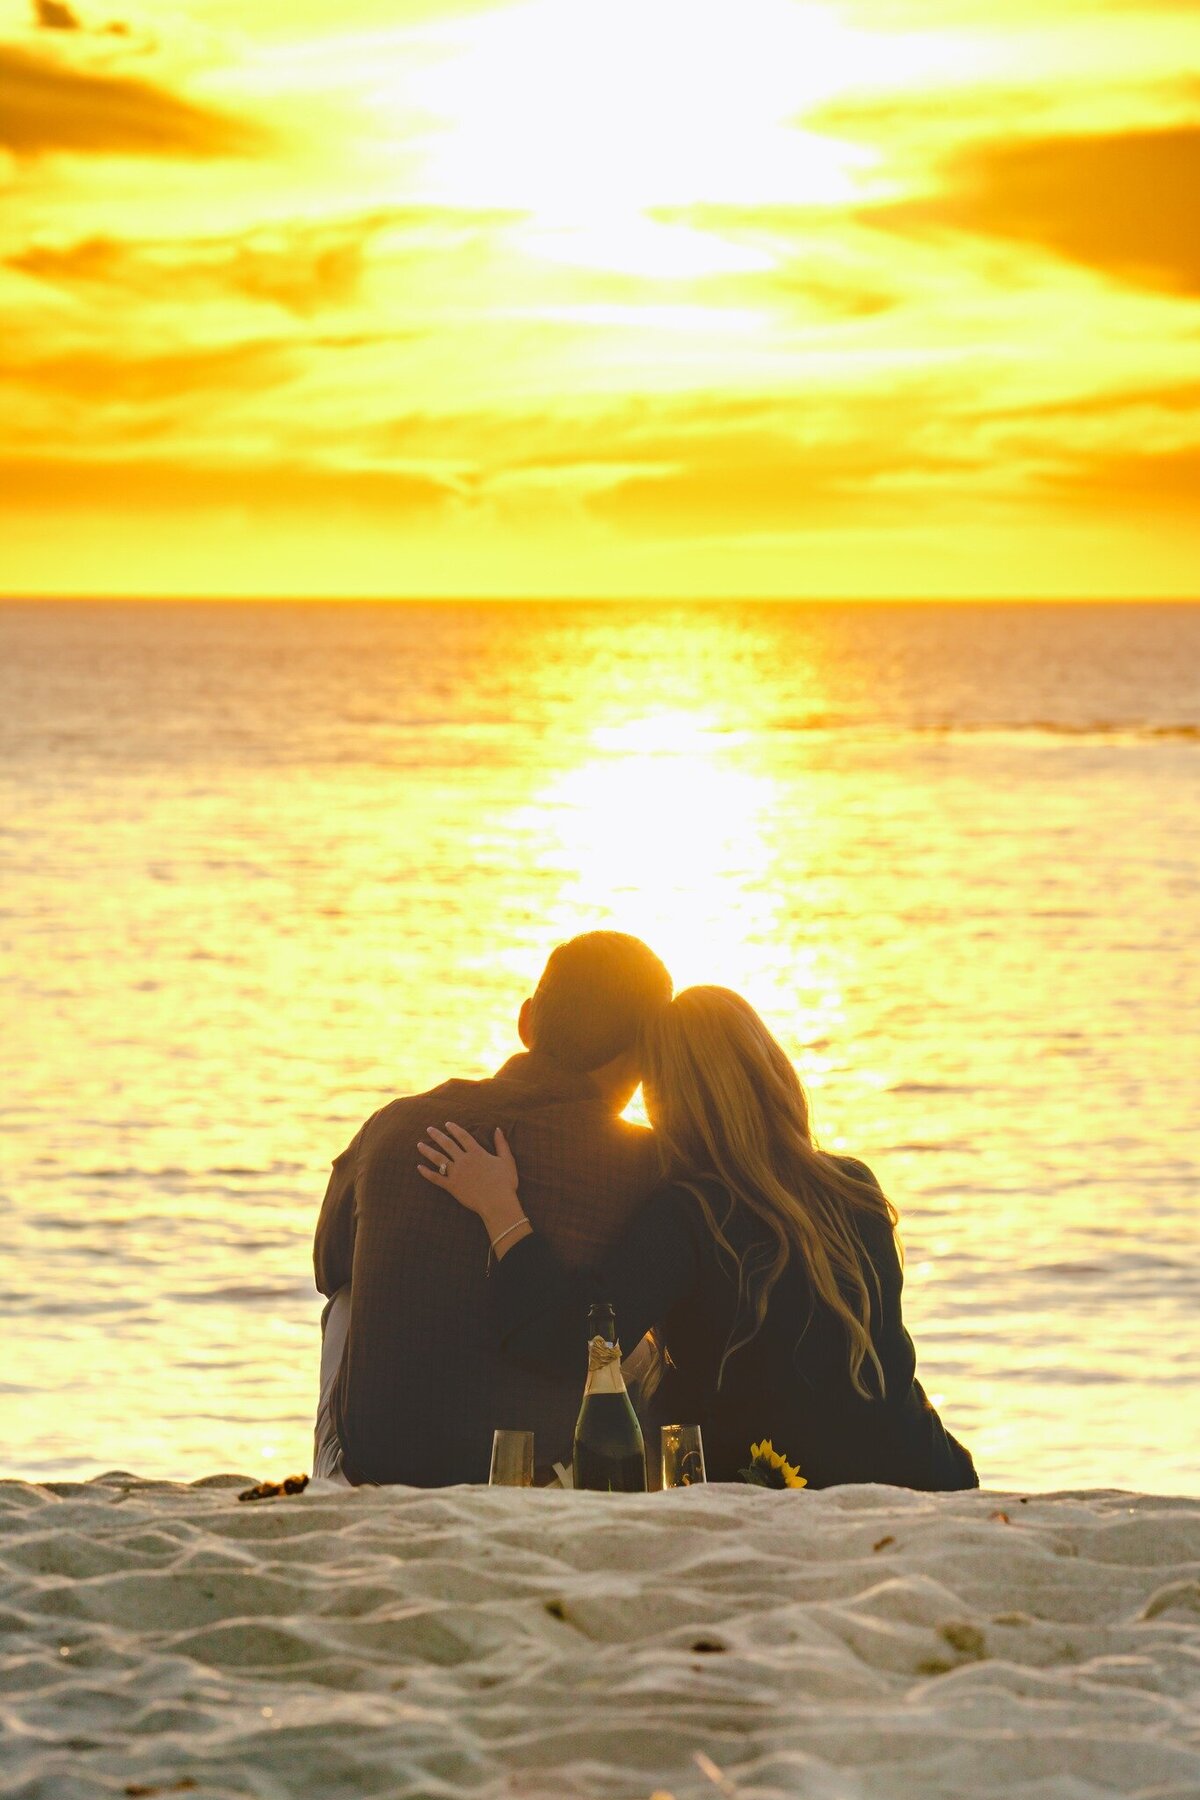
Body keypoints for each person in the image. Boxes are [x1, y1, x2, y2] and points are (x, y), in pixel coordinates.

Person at [418, 985, 978, 1491]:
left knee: (635, 1374)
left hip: (778, 1485)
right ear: (773, 1071)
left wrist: (501, 1208)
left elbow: (573, 1345)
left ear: (666, 1096)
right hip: (922, 1472)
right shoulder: (853, 1185)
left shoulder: (691, 1214)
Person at [312, 930, 672, 1486]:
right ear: (648, 1051)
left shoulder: (393, 1126)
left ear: (527, 1021)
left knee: (347, 1299)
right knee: (643, 1338)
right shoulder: (644, 1165)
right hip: (545, 1475)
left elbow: (329, 1266)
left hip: (370, 1472)